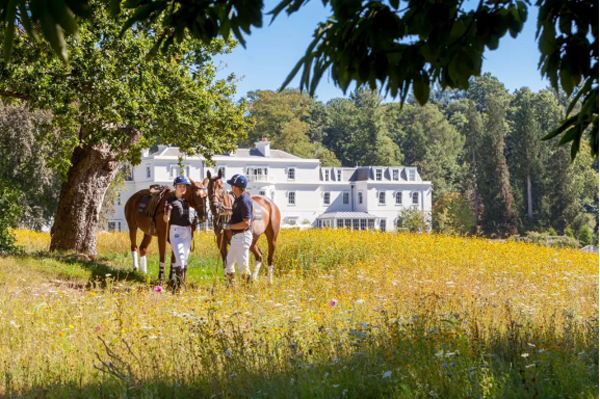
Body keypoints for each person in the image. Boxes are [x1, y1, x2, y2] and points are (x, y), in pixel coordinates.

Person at [222, 174, 253, 284]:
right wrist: (227, 210)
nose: (231, 187)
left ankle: (247, 291)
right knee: (228, 263)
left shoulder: (244, 201)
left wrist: (229, 226)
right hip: (236, 237)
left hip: (242, 237)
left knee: (243, 267)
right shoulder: (238, 199)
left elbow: (246, 222)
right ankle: (230, 288)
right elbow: (237, 211)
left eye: (232, 185)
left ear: (236, 187)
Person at [164, 176, 196, 283]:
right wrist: (167, 212)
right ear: (175, 187)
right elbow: (166, 219)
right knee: (180, 258)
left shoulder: (185, 201)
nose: (183, 188)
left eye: (184, 186)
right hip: (176, 231)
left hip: (187, 232)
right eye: (180, 186)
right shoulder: (170, 201)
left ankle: (178, 287)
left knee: (184, 260)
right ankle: (181, 284)